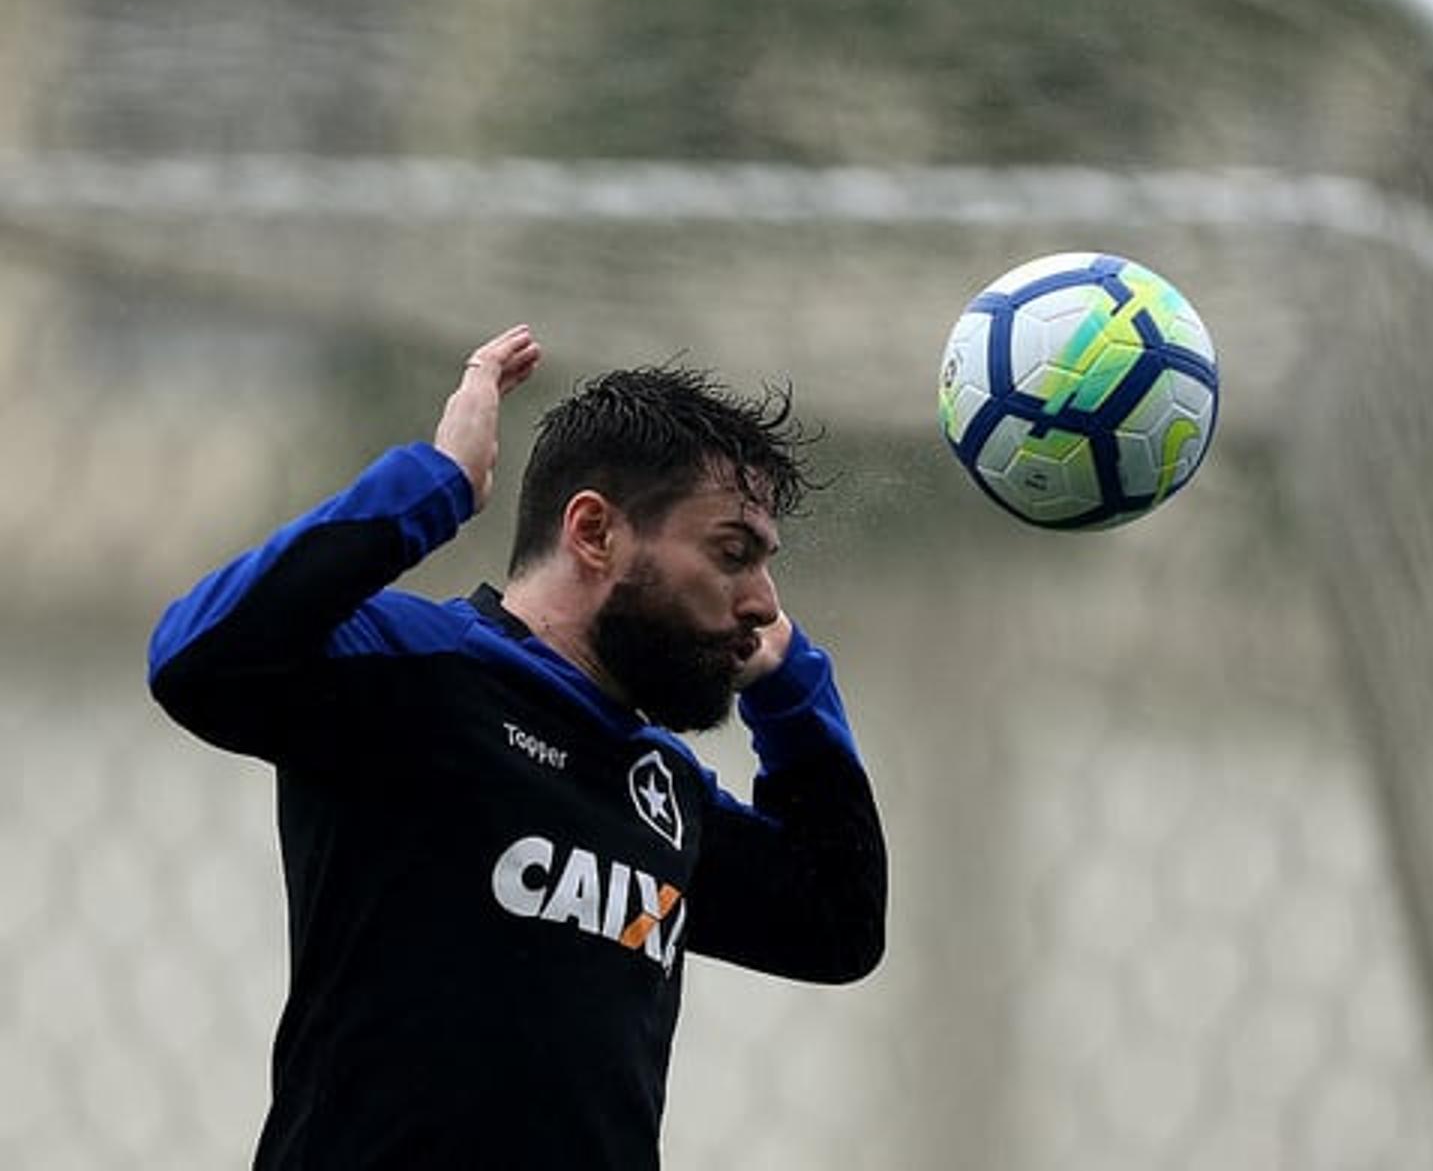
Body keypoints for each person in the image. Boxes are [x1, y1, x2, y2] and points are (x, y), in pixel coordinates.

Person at [148, 325, 886, 1170]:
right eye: (732, 553)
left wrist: (794, 689)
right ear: (594, 532)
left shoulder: (661, 785)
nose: (762, 600)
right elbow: (196, 656)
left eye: (764, 564)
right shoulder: (420, 672)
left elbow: (837, 923)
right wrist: (436, 486)